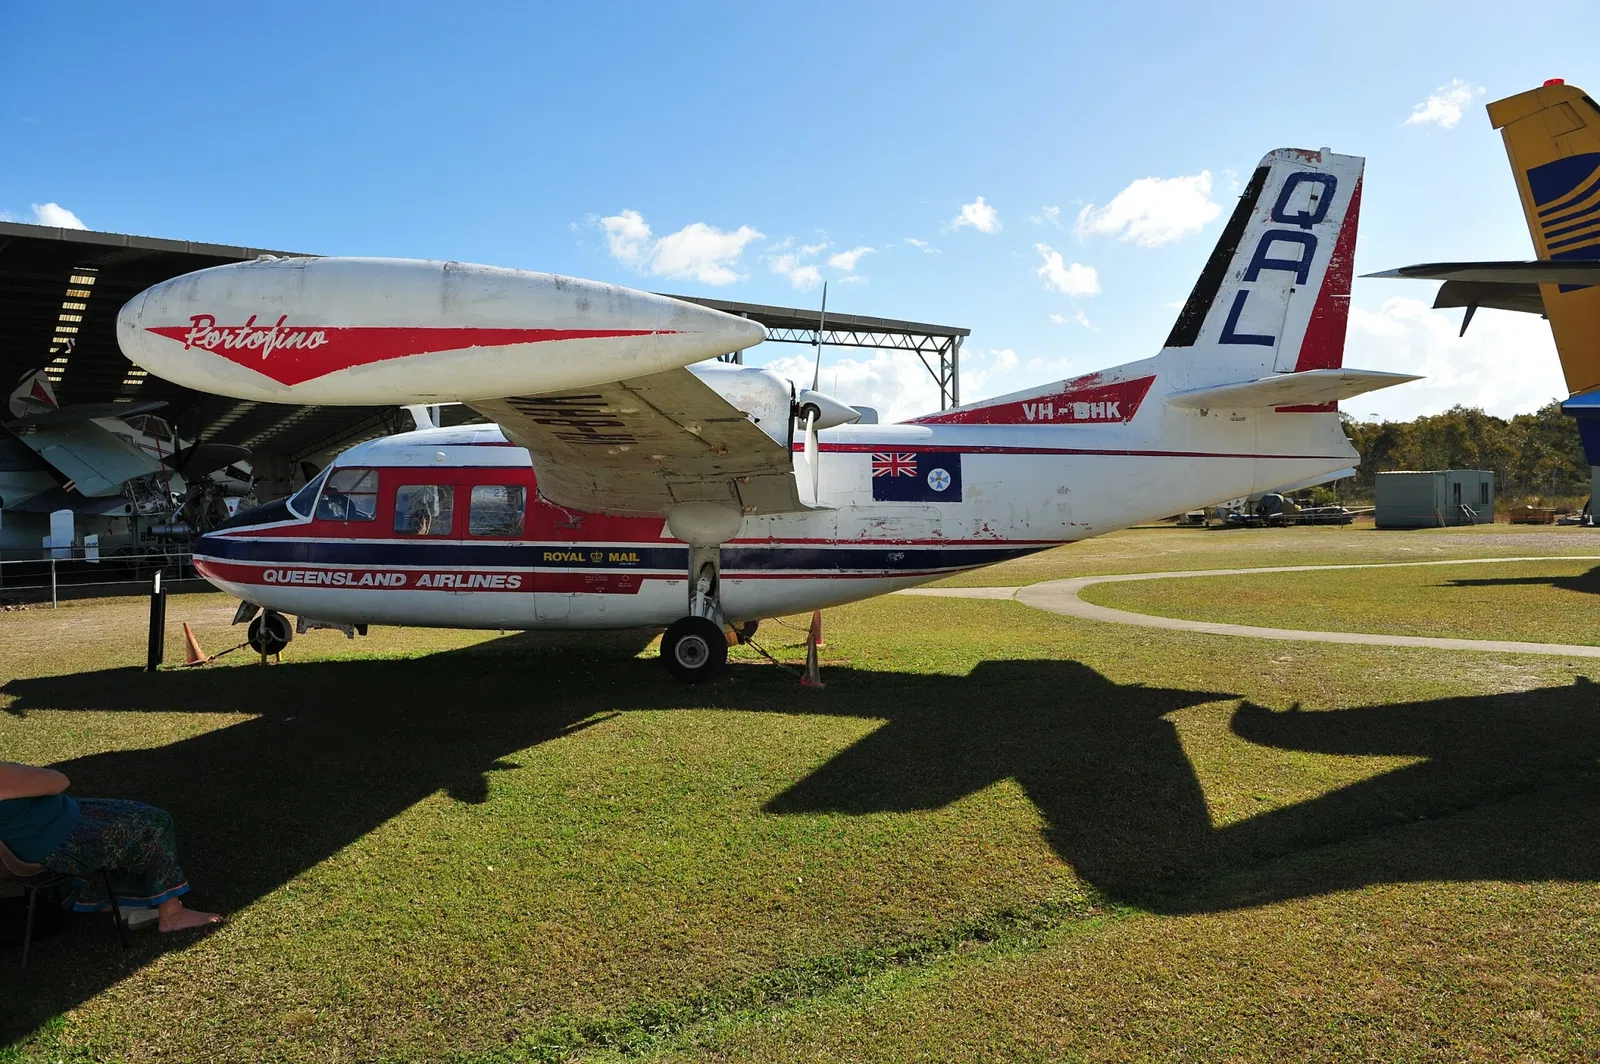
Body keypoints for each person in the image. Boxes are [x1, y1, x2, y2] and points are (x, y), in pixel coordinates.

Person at [0, 762, 220, 932]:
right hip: (58, 840)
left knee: (120, 817)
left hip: (28, 844)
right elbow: (58, 781)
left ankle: (129, 902)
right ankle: (172, 914)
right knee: (154, 821)